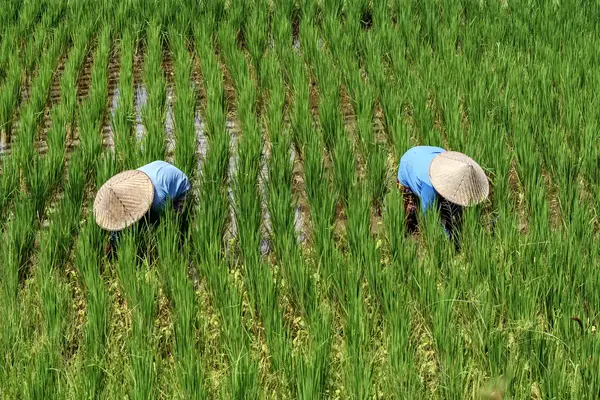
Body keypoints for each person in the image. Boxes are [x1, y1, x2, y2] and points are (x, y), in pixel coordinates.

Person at [93, 160, 191, 258]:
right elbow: (118, 223)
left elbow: (165, 223)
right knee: (132, 223)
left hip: (180, 186)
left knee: (171, 222)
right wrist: (113, 244)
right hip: (157, 168)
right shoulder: (126, 184)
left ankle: (176, 250)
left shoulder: (158, 201)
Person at [397, 146, 489, 248]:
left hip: (432, 153)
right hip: (409, 161)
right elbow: (428, 215)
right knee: (414, 211)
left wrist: (462, 222)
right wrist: (446, 237)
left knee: (451, 207)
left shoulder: (453, 165)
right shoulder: (429, 185)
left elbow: (457, 201)